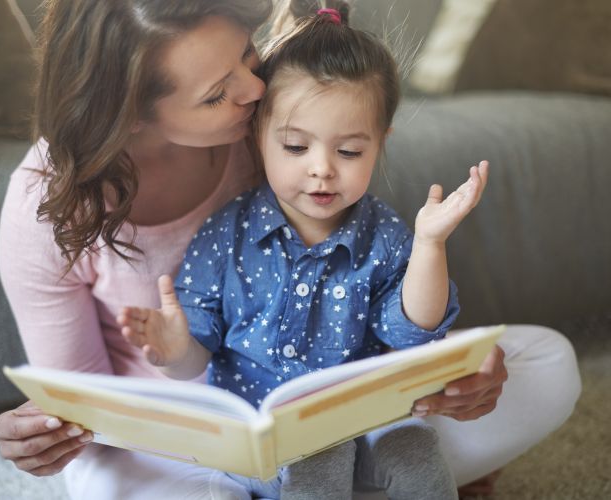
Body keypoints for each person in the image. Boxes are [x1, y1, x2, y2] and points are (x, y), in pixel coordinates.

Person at [0, 0, 581, 499]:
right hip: (180, 436)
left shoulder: (276, 121)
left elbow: (383, 303)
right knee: (101, 477)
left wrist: (459, 377)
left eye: (247, 54)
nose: (254, 89)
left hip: (343, 400)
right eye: (219, 93)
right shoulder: (47, 208)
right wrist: (41, 433)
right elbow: (82, 408)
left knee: (546, 362)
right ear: (130, 114)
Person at [118, 6, 483, 498]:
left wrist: (430, 244)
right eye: (295, 147)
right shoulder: (228, 233)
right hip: (261, 442)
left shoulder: (385, 234)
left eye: (350, 152)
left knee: (417, 450)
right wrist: (174, 349)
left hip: (368, 425)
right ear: (257, 137)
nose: (322, 170)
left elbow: (412, 333)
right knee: (315, 451)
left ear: (380, 144)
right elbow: (193, 355)